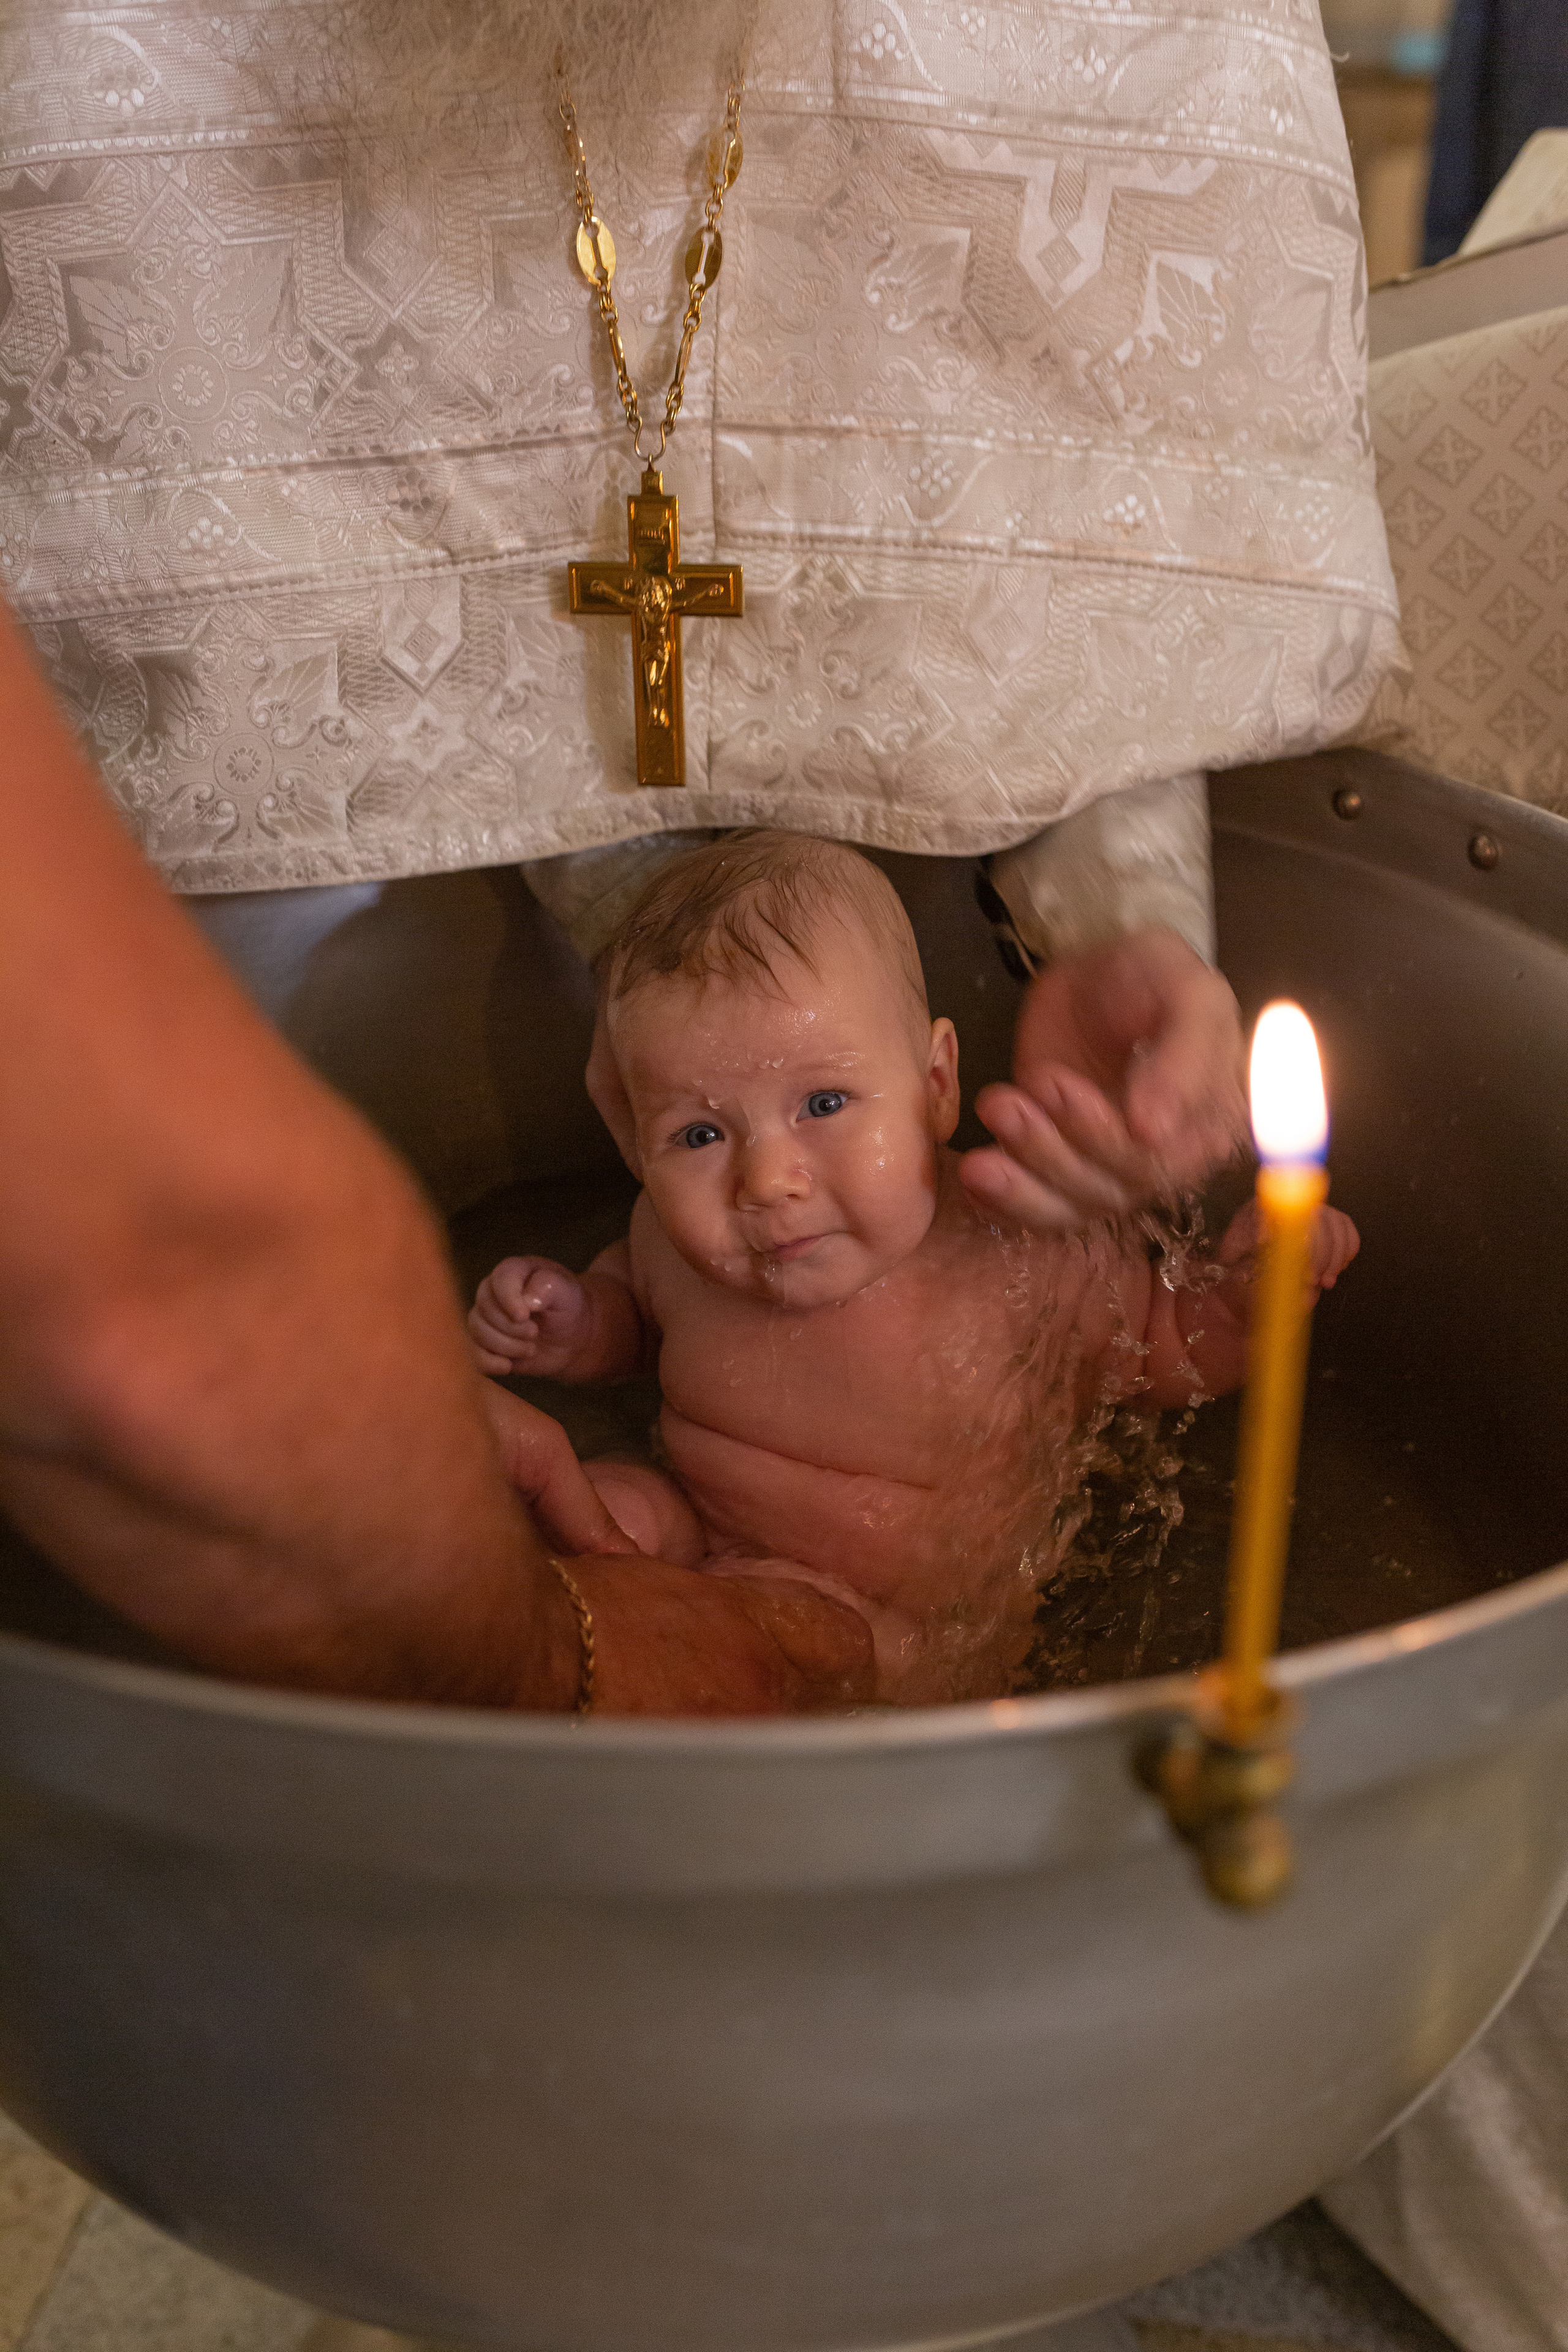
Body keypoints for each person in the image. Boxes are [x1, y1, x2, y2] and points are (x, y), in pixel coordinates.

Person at [469, 832, 1359, 1705]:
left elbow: (1163, 1352)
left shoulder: (1015, 1246)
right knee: (598, 1512)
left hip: (900, 1623)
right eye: (698, 1135)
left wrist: (1248, 1302)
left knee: (839, 1650)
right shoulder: (667, 1242)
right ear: (631, 1135)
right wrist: (574, 1323)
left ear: (936, 1085)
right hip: (705, 1521)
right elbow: (633, 1324)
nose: (768, 1181)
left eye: (823, 1104)